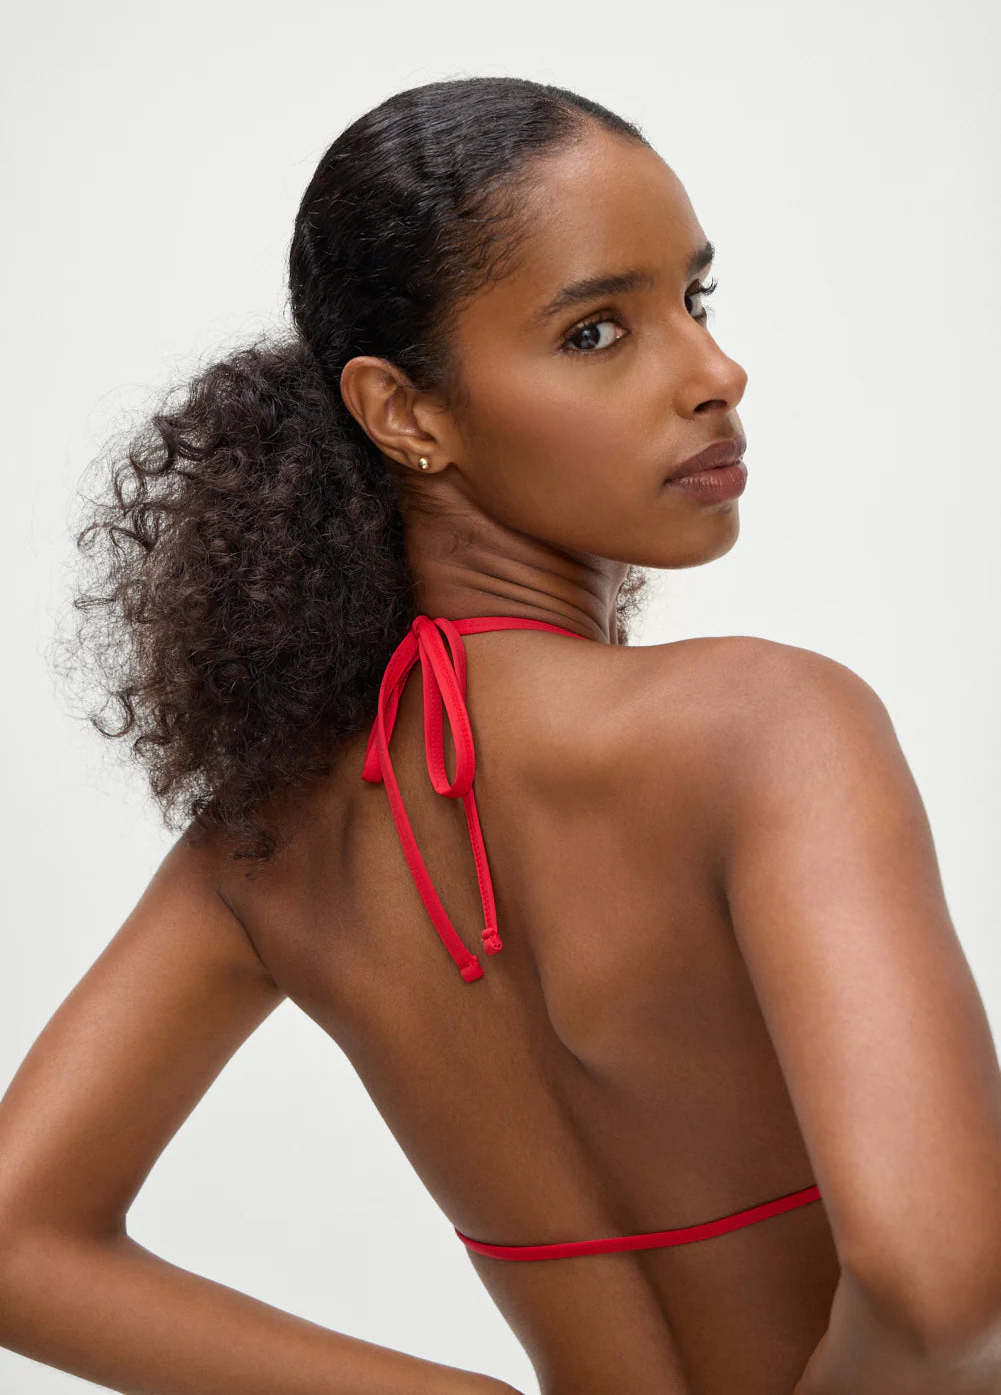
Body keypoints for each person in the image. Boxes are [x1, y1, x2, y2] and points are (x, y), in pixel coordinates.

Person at [0, 76, 999, 1395]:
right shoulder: (772, 730)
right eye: (596, 332)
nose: (716, 373)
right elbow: (943, 1299)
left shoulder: (266, 847)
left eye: (694, 300)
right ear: (405, 415)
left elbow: (15, 1245)